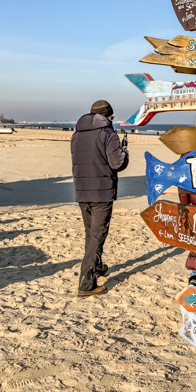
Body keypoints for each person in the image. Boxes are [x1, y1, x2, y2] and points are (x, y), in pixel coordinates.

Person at [71, 100, 129, 297]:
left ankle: (96, 267)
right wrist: (125, 153)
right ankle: (86, 283)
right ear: (107, 117)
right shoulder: (108, 133)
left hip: (82, 190)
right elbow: (117, 163)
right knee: (97, 235)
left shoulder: (77, 134)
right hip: (101, 192)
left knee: (91, 233)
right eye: (111, 117)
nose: (112, 121)